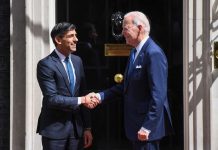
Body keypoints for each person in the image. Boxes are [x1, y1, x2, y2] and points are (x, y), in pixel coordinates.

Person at [93, 11, 174, 150]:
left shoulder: (153, 53)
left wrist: (147, 127)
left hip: (146, 130)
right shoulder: (134, 52)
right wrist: (100, 96)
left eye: (125, 28)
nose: (122, 33)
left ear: (140, 28)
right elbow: (126, 86)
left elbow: (158, 95)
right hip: (135, 126)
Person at [36, 22, 99, 150]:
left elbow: (83, 92)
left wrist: (87, 127)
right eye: (71, 36)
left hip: (77, 130)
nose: (76, 39)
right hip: (55, 130)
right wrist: (82, 100)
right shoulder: (46, 64)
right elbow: (52, 99)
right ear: (58, 40)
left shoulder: (77, 61)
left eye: (75, 35)